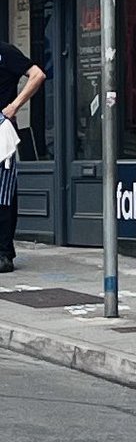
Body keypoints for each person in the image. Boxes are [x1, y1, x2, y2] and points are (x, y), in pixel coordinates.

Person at [0, 41, 46, 273]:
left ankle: (4, 252)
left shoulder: (5, 52)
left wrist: (13, 106)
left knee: (3, 193)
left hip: (0, 129)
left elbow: (37, 74)